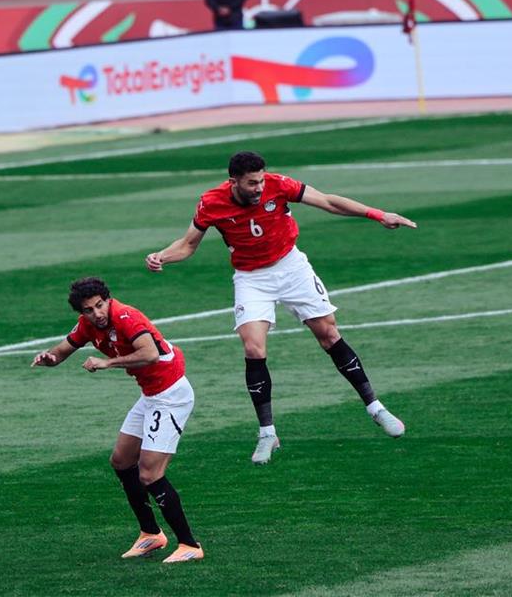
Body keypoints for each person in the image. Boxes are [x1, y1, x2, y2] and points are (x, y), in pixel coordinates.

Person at [145, 151, 416, 464]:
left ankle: (376, 408)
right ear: (233, 181)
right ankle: (267, 434)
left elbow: (327, 201)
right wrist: (162, 255)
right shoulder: (211, 203)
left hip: (291, 267)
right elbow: (189, 244)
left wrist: (378, 215)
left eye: (261, 180)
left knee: (328, 334)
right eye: (251, 183)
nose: (259, 188)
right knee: (253, 348)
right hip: (251, 278)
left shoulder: (279, 185)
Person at [32, 278, 204, 564]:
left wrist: (106, 362)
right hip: (151, 395)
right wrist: (48, 357)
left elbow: (149, 354)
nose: (97, 313)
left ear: (108, 299)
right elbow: (60, 352)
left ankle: (189, 544)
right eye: (89, 309)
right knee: (122, 461)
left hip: (171, 394)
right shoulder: (88, 325)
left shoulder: (126, 316)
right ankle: (150, 534)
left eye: (100, 305)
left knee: (150, 474)